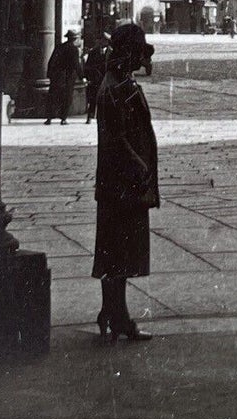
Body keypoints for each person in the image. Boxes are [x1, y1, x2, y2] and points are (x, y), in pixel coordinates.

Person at [93, 22, 159, 342]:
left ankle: (112, 313)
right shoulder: (116, 87)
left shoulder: (118, 81)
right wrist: (139, 166)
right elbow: (116, 138)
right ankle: (117, 316)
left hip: (118, 184)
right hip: (124, 184)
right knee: (119, 252)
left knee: (116, 253)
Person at [44, 29, 83, 125]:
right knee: (67, 98)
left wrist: (49, 74)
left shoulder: (59, 47)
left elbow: (51, 61)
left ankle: (49, 118)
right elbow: (76, 64)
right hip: (68, 77)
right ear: (74, 39)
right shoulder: (74, 49)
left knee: (53, 96)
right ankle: (63, 118)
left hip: (57, 76)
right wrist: (82, 76)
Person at [82, 33, 111, 124]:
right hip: (95, 79)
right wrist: (87, 77)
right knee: (93, 99)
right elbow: (87, 66)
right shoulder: (93, 52)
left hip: (106, 79)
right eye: (101, 40)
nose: (102, 42)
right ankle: (90, 117)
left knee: (106, 99)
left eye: (104, 40)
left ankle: (105, 118)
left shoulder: (112, 52)